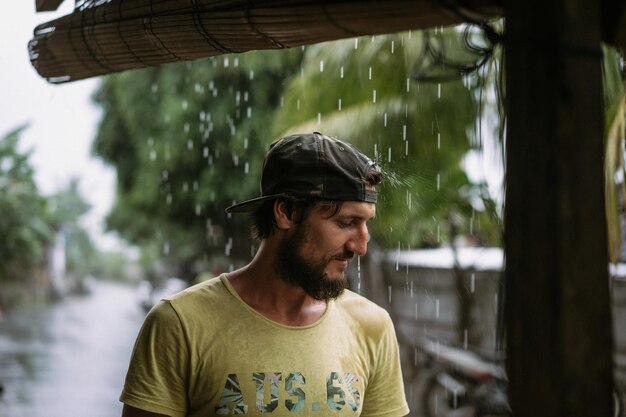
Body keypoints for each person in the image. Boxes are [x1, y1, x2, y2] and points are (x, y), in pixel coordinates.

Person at [120, 132, 409, 417]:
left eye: (366, 224)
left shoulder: (372, 326)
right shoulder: (180, 324)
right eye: (346, 222)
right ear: (286, 212)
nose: (360, 246)